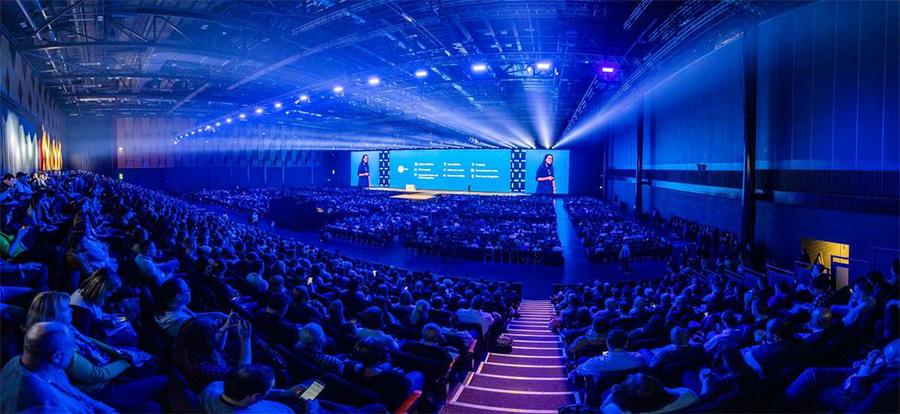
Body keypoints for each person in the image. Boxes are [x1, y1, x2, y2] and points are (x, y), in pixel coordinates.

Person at [1, 322, 115, 413]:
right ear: (57, 357)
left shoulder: (44, 366)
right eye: (72, 348)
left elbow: (74, 393)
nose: (73, 352)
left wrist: (106, 410)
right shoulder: (45, 405)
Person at [200, 364, 296, 414]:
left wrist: (285, 393)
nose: (272, 389)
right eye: (270, 388)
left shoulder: (213, 387)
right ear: (256, 396)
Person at [575, 329, 648, 379]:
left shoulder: (595, 362)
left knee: (582, 359)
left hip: (605, 393)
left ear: (607, 343)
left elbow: (579, 370)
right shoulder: (639, 359)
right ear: (626, 344)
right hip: (630, 392)